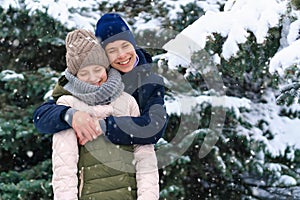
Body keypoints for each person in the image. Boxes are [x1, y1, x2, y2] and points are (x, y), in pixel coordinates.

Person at [52, 29, 159, 199]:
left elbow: (144, 155)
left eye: (97, 69)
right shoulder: (68, 105)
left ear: (105, 67)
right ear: (74, 76)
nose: (93, 77)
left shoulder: (128, 102)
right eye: (84, 73)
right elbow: (64, 165)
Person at [33, 13, 167, 147]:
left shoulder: (151, 82)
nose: (121, 55)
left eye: (125, 45)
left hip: (133, 162)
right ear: (104, 57)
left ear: (134, 45)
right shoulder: (95, 78)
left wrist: (104, 126)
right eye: (112, 50)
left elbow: (154, 127)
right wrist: (70, 115)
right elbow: (42, 116)